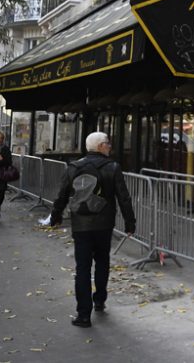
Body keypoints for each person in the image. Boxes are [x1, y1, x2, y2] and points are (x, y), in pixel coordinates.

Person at [49, 132, 135, 328]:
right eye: (107, 144)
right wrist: (130, 223)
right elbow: (124, 197)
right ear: (100, 146)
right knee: (103, 261)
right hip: (104, 224)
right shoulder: (112, 167)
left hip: (80, 224)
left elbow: (62, 194)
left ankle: (83, 314)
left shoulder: (73, 167)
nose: (110, 147)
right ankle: (100, 299)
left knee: (82, 268)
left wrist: (56, 215)